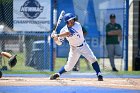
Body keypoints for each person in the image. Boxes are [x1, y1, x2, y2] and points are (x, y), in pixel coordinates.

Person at [50, 13, 103, 81]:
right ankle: (58, 74)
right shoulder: (62, 30)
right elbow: (59, 43)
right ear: (67, 21)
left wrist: (57, 35)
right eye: (70, 20)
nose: (72, 21)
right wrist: (55, 38)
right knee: (69, 67)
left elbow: (68, 33)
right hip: (73, 48)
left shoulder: (77, 25)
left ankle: (99, 74)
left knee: (93, 59)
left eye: (73, 19)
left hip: (83, 46)